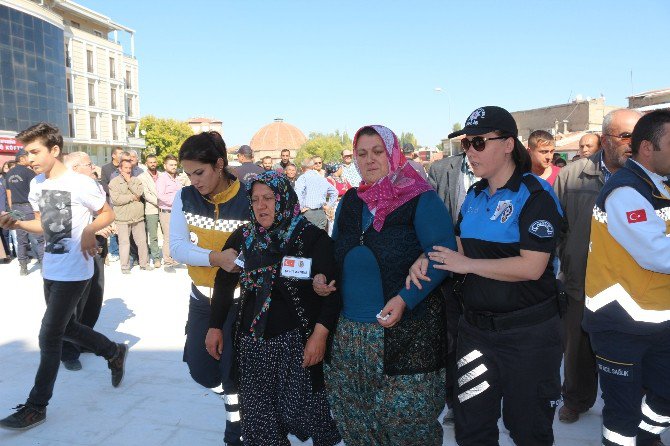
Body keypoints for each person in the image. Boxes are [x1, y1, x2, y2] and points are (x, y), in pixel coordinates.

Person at [412, 106, 564, 445]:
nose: (470, 151)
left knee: (529, 429)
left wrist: (467, 265)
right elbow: (460, 244)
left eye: (478, 142)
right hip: (475, 333)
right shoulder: (475, 195)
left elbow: (532, 266)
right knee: (472, 427)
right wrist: (426, 257)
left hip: (529, 336)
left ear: (508, 144)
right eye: (467, 144)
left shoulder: (535, 194)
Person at [322, 124, 455, 446]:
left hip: (408, 331)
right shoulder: (351, 201)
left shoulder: (419, 197)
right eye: (362, 153)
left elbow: (442, 253)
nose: (369, 160)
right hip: (351, 335)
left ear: (393, 153)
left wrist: (405, 299)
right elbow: (336, 249)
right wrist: (324, 278)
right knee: (356, 418)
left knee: (407, 424)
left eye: (378, 152)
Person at [0, 123, 127, 431]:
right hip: (52, 267)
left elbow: (107, 213)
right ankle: (112, 350)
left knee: (49, 334)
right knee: (67, 326)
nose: (29, 158)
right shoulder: (36, 185)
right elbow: (46, 225)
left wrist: (88, 230)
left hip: (76, 269)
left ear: (54, 150)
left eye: (35, 151)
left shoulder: (80, 183)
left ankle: (36, 406)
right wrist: (15, 225)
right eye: (26, 152)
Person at [208, 171, 341, 446]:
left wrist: (319, 336)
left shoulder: (311, 238)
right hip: (251, 344)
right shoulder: (244, 237)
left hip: (296, 344)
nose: (261, 206)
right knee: (260, 426)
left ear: (283, 199)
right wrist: (214, 325)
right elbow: (223, 281)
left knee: (312, 417)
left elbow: (333, 292)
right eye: (255, 199)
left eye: (268, 198)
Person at [584, 110, 670, 446]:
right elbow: (655, 253)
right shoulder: (626, 191)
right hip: (621, 322)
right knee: (622, 415)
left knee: (664, 395)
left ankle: (647, 438)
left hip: (659, 317)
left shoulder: (660, 184)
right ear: (648, 148)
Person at [553, 108, 642, 425]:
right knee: (577, 349)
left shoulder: (650, 177)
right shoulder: (572, 176)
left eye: (638, 134)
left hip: (633, 285)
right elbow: (556, 225)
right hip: (582, 280)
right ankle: (575, 400)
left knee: (630, 351)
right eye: (626, 135)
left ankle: (632, 409)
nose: (634, 143)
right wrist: (569, 259)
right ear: (606, 140)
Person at [170, 131, 249, 446]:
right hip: (201, 299)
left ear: (219, 164)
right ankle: (238, 400)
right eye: (188, 174)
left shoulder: (248, 198)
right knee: (201, 370)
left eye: (199, 172)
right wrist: (216, 257)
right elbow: (176, 248)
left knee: (232, 372)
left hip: (241, 301)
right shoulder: (185, 197)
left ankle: (236, 430)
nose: (194, 180)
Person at [427, 151, 479, 424]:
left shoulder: (502, 175)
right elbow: (429, 218)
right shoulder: (441, 169)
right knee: (451, 341)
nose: (474, 148)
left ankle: (478, 400)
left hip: (487, 274)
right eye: (470, 141)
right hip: (448, 272)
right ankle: (455, 402)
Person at [60, 152, 114, 371]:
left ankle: (84, 341)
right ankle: (68, 351)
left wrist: (105, 225)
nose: (94, 168)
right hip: (75, 250)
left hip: (97, 246)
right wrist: (96, 225)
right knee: (73, 304)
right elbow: (67, 222)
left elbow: (103, 211)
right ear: (74, 168)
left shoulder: (94, 185)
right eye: (88, 164)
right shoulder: (63, 187)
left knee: (94, 296)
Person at [5, 149, 45, 275]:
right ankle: (43, 264)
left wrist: (12, 210)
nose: (31, 158)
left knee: (21, 238)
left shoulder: (9, 173)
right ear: (22, 159)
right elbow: (36, 192)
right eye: (28, 156)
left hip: (16, 208)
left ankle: (23, 267)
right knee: (39, 237)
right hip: (29, 207)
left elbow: (9, 194)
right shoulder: (29, 172)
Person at [108, 159, 151, 273]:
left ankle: (144, 263)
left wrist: (129, 181)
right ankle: (125, 267)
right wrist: (132, 197)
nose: (128, 170)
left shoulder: (136, 180)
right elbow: (116, 200)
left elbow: (139, 193)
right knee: (124, 243)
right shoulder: (114, 183)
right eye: (125, 168)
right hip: (122, 218)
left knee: (142, 241)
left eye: (129, 168)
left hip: (138, 217)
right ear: (120, 169)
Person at [293, 158, 337, 230]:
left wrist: (300, 208)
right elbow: (335, 192)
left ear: (302, 168)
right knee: (319, 239)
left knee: (307, 239)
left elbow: (297, 194)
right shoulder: (322, 178)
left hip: (308, 213)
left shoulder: (303, 178)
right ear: (313, 166)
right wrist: (328, 205)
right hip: (321, 213)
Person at [156, 154, 182, 267]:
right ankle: (167, 260)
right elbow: (160, 195)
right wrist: (175, 202)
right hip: (167, 212)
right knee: (168, 236)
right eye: (171, 165)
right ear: (165, 166)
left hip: (177, 212)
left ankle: (175, 258)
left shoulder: (176, 178)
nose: (174, 167)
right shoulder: (162, 179)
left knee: (176, 236)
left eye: (175, 165)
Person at [100, 147, 124, 262]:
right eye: (119, 153)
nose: (121, 155)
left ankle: (124, 250)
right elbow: (104, 184)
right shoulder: (105, 168)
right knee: (113, 226)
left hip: (123, 201)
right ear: (113, 155)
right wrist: (114, 193)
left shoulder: (124, 166)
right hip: (111, 201)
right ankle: (114, 251)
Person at [139, 154, 161, 268]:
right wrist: (160, 202)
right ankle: (156, 258)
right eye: (150, 162)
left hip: (164, 209)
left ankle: (169, 256)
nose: (153, 164)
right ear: (146, 164)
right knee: (153, 236)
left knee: (167, 234)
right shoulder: (142, 177)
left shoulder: (162, 175)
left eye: (154, 162)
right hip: (151, 209)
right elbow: (145, 194)